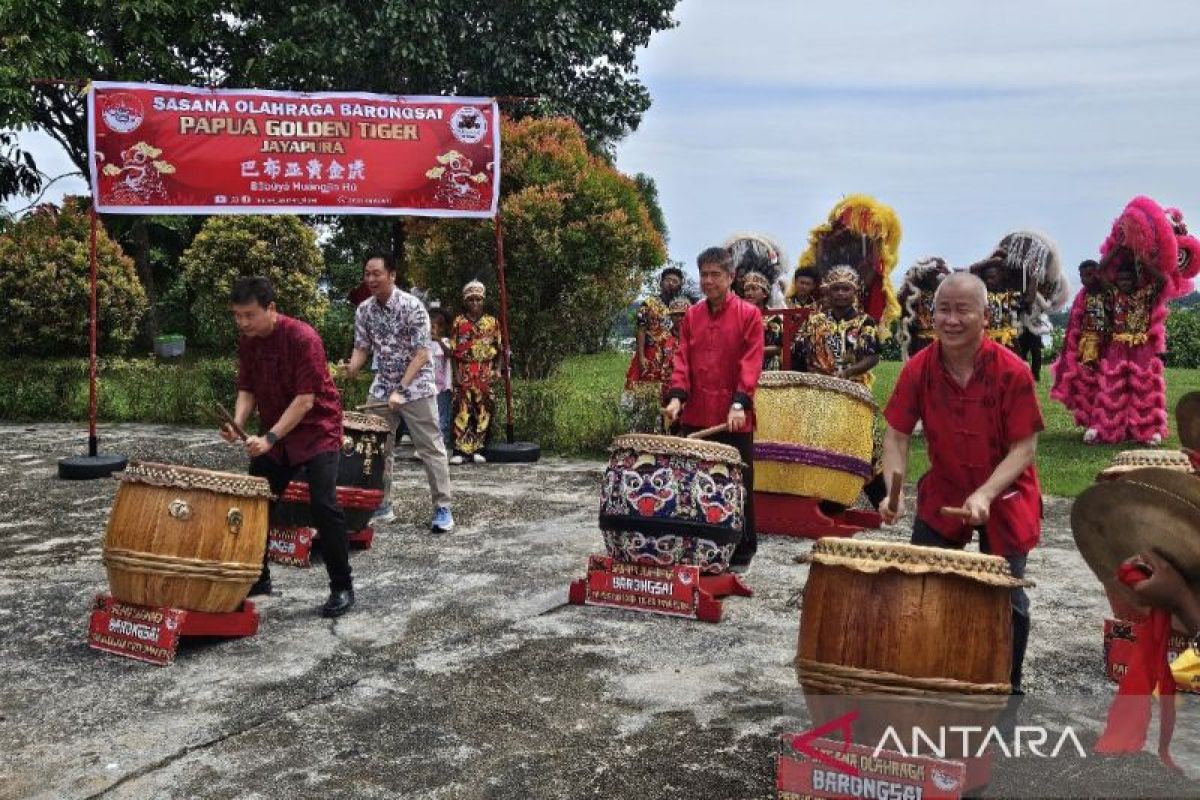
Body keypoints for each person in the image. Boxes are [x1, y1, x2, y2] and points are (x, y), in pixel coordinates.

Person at [880, 272, 1043, 693]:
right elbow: (897, 436)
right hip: (946, 488)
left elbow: (1024, 449)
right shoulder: (918, 368)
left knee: (1006, 598)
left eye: (962, 310)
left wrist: (987, 492)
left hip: (1006, 494)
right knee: (922, 586)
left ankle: (1008, 686)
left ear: (985, 316)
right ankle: (926, 674)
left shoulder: (1013, 371)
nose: (950, 320)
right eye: (942, 309)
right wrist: (893, 492)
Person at [222, 276, 355, 618]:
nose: (242, 322)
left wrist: (268, 439)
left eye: (249, 315)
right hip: (276, 434)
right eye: (237, 315)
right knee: (255, 504)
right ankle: (258, 577)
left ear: (272, 309)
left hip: (316, 430)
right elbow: (248, 389)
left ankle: (342, 586)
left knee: (324, 505)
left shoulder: (302, 337)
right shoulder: (248, 342)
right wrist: (238, 426)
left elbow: (305, 400)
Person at [663, 246, 764, 573]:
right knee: (694, 484)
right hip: (697, 414)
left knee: (737, 485)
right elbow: (683, 361)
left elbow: (751, 364)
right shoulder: (692, 315)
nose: (708, 281)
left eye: (715, 275)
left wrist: (740, 403)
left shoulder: (749, 315)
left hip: (732, 418)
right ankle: (700, 546)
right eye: (703, 274)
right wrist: (677, 397)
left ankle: (743, 549)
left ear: (731, 277)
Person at [344, 252, 454, 533]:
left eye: (376, 273)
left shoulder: (413, 307)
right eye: (367, 273)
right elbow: (362, 346)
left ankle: (443, 507)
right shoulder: (364, 310)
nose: (370, 279)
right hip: (383, 384)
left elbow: (421, 354)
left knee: (429, 447)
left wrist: (401, 390)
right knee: (376, 446)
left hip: (415, 385)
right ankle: (382, 503)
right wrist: (351, 369)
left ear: (392, 275)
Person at [790, 265, 881, 386]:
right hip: (819, 385)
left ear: (855, 292)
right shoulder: (815, 320)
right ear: (828, 292)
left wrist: (847, 372)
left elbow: (873, 357)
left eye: (846, 289)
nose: (840, 293)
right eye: (836, 289)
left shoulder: (865, 321)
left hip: (854, 387)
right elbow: (798, 351)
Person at [1049, 259, 1109, 441]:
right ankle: (1093, 422)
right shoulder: (1082, 297)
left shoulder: (1110, 293)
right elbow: (1073, 326)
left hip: (1109, 346)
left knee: (1106, 384)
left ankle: (1107, 423)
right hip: (1088, 345)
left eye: (1090, 274)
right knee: (1088, 384)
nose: (1085, 279)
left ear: (1099, 273)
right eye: (1082, 276)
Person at [450, 280, 502, 464]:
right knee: (462, 408)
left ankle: (479, 448)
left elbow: (500, 348)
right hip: (465, 369)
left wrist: (497, 369)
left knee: (483, 409)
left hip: (484, 370)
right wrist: (455, 373)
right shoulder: (459, 322)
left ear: (483, 300)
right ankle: (460, 450)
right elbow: (453, 351)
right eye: (471, 300)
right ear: (465, 301)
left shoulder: (492, 322)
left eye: (478, 300)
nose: (475, 303)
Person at [625, 267, 685, 396]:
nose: (671, 283)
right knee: (645, 389)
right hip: (651, 352)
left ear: (680, 285)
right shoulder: (649, 303)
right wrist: (641, 357)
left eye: (675, 281)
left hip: (673, 353)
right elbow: (641, 330)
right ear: (661, 283)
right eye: (668, 280)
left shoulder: (681, 306)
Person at [896, 256, 948, 360]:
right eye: (934, 273)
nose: (938, 276)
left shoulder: (944, 293)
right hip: (921, 342)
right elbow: (900, 303)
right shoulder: (914, 292)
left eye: (940, 273)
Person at [737, 268, 783, 370]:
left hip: (768, 365)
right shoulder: (738, 317)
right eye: (747, 289)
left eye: (754, 289)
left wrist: (755, 351)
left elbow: (778, 348)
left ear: (765, 293)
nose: (749, 293)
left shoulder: (774, 318)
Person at [428, 307, 454, 449]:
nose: (432, 330)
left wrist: (438, 340)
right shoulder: (424, 343)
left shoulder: (445, 341)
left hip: (443, 387)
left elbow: (449, 354)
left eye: (435, 327)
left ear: (442, 328)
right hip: (428, 387)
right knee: (429, 416)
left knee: (442, 415)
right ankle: (430, 444)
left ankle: (443, 442)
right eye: (429, 326)